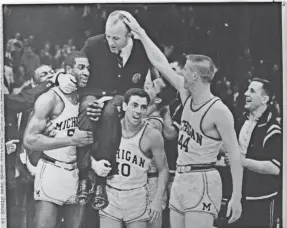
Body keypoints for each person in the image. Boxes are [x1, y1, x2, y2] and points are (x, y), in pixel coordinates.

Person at [121, 11, 243, 228]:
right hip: (181, 177)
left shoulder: (219, 111)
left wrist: (237, 196)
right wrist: (140, 33)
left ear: (195, 76)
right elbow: (160, 63)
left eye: (185, 70)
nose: (180, 73)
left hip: (203, 177)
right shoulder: (186, 94)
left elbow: (234, 155)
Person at [58, 10, 154, 209]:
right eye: (108, 36)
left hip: (120, 95)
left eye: (116, 38)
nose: (110, 42)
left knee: (110, 112)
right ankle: (84, 176)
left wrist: (114, 100)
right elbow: (74, 65)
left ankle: (102, 180)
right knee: (86, 107)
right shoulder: (93, 43)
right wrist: (60, 76)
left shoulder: (141, 50)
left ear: (130, 35)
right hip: (93, 92)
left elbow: (139, 87)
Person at [23, 51, 94, 228]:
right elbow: (29, 140)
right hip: (51, 169)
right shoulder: (49, 98)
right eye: (81, 67)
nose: (86, 72)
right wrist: (71, 140)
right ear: (68, 70)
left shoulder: (85, 97)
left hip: (76, 174)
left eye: (88, 68)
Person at [99, 88, 169, 228]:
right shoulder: (109, 127)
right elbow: (91, 154)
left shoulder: (152, 135)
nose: (138, 111)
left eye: (143, 107)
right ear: (125, 106)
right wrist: (95, 164)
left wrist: (157, 200)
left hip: (136, 195)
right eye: (134, 105)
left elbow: (163, 170)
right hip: (111, 193)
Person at [226, 78, 282, 228]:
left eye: (252, 91)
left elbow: (275, 168)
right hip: (238, 196)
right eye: (247, 89)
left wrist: (240, 161)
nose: (245, 93)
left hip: (262, 199)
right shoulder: (240, 120)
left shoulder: (273, 129)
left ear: (264, 99)